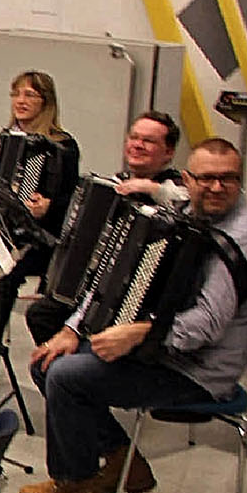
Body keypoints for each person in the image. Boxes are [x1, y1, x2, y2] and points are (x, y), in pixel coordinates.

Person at [18, 138, 247, 493]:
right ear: (188, 180)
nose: (217, 187)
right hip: (162, 350)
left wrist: (139, 333)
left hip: (197, 370)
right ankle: (123, 461)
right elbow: (109, 273)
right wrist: (72, 329)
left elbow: (205, 326)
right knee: (48, 361)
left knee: (66, 376)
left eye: (229, 178)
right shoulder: (187, 207)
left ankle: (76, 483)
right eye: (206, 178)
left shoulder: (241, 243)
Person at [23, 111, 187, 346]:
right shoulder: (115, 184)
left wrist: (152, 189)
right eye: (134, 138)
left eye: (148, 141)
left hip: (139, 294)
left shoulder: (175, 186)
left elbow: (187, 202)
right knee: (41, 314)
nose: (137, 145)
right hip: (93, 287)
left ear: (168, 152)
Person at [0, 70, 81, 345]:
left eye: (29, 95)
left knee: (3, 271)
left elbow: (72, 199)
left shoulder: (63, 146)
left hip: (40, 237)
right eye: (16, 94)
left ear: (46, 102)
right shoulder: (0, 138)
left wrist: (49, 206)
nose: (20, 101)